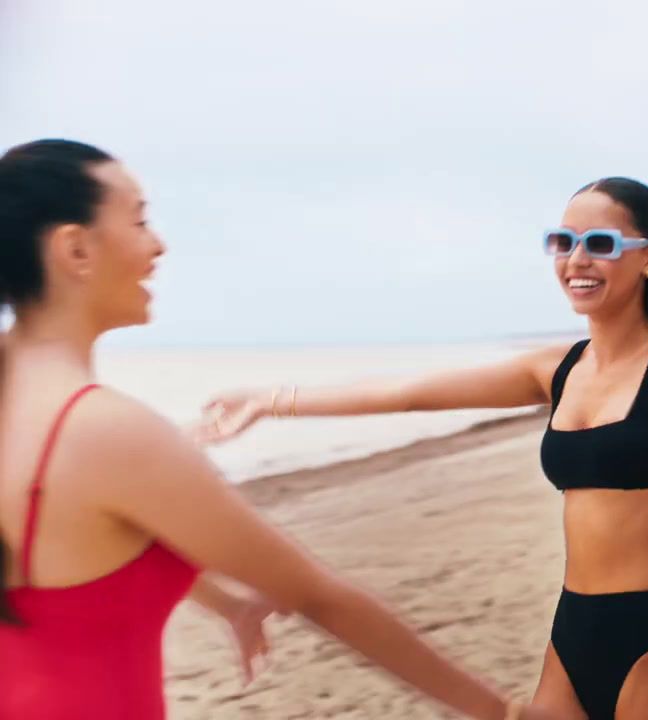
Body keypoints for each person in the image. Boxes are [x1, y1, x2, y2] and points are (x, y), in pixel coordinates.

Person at [196, 176, 648, 720]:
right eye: (563, 242)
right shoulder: (555, 369)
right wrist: (272, 400)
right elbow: (408, 392)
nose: (577, 260)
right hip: (571, 635)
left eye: (600, 245)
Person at [0, 139, 556, 720]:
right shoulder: (105, 431)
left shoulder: (30, 406)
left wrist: (227, 605)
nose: (158, 244)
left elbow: (84, 557)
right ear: (76, 249)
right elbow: (322, 598)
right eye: (139, 220)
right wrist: (505, 712)